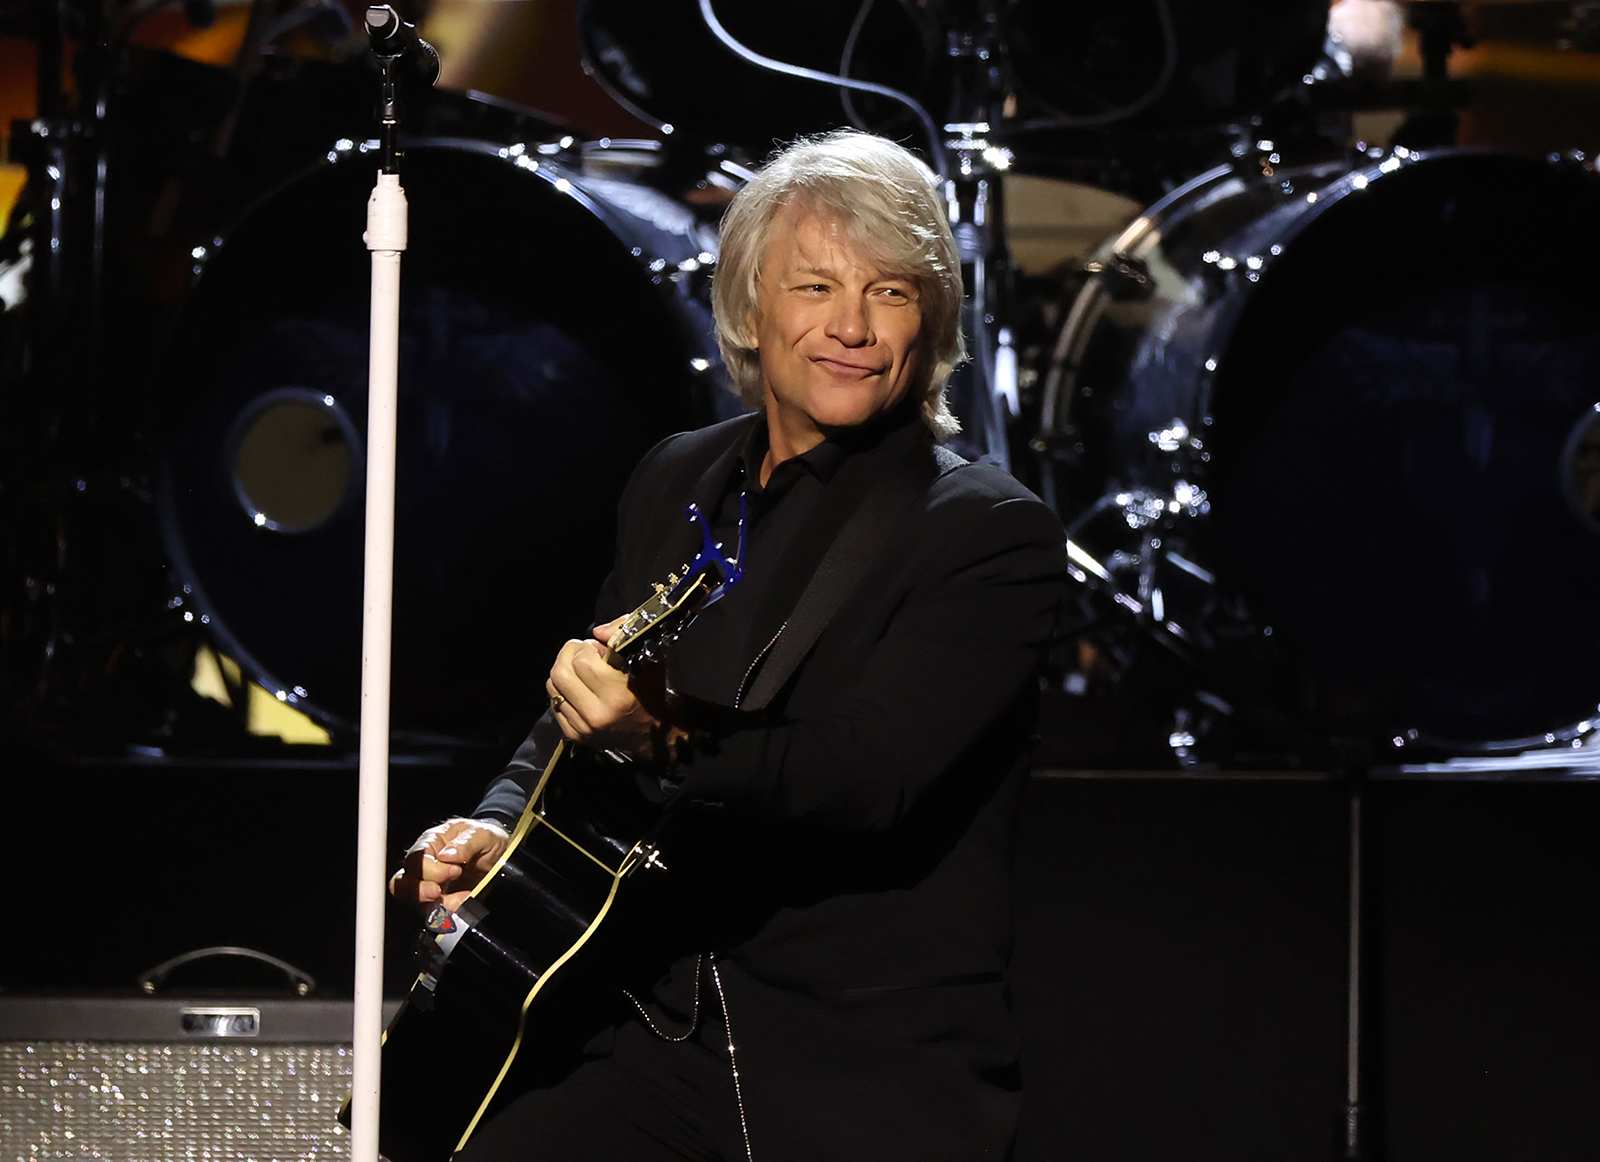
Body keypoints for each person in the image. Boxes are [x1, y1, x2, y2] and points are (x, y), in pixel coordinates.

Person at [390, 129, 1068, 1162]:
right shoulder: (677, 476)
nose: (851, 326)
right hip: (639, 1021)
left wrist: (660, 736)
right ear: (750, 306)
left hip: (851, 1064)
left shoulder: (984, 533)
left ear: (929, 320)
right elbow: (588, 693)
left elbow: (863, 777)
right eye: (814, 287)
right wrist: (496, 830)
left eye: (890, 292)